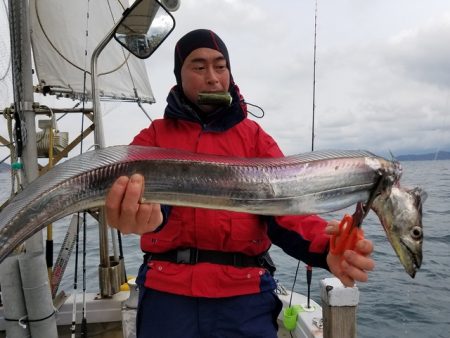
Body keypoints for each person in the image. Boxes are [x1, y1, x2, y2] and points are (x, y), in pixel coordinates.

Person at [105, 29, 374, 338]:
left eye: (220, 66)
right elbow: (142, 200)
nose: (212, 77)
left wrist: (326, 248)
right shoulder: (154, 137)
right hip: (168, 291)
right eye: (198, 66)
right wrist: (141, 215)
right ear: (179, 75)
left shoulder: (256, 139)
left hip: (244, 294)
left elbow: (287, 211)